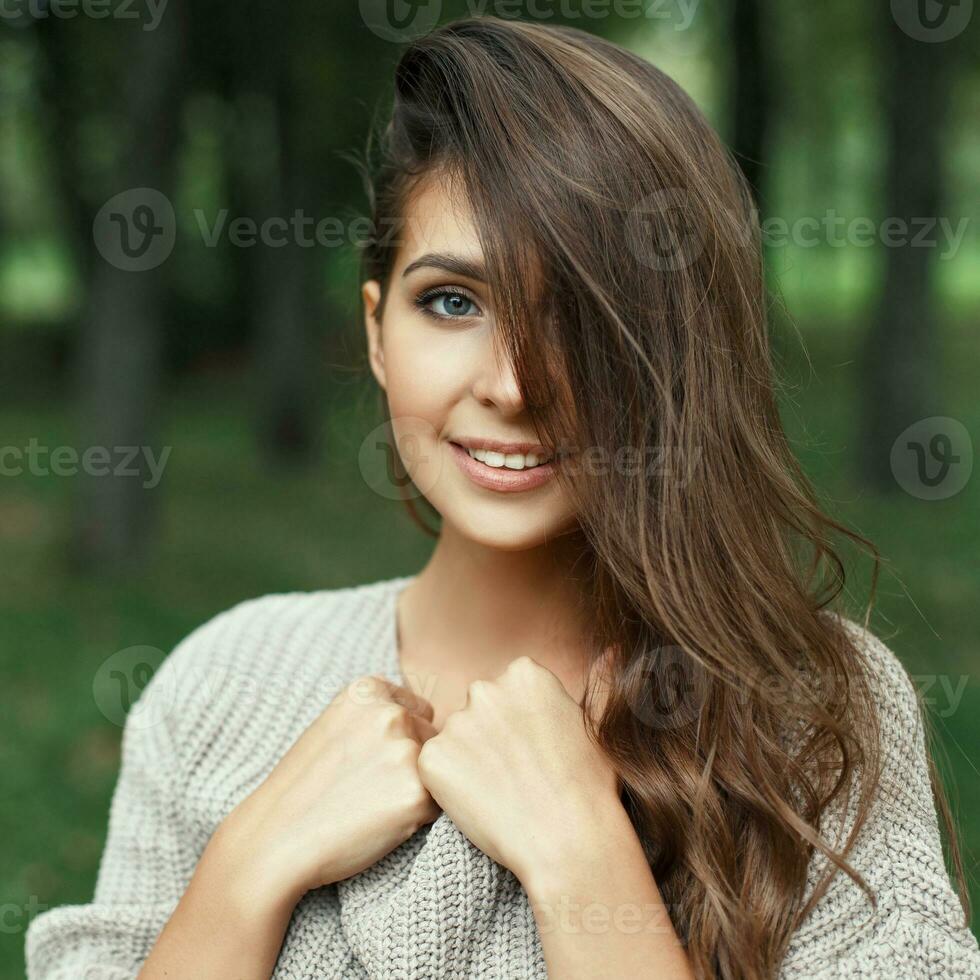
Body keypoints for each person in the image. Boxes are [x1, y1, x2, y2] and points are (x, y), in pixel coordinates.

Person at [26, 15, 980, 980]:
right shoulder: (221, 685)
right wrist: (246, 867)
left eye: (576, 314)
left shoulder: (813, 707)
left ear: (674, 354)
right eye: (452, 302)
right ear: (375, 331)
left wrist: (582, 862)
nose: (513, 386)